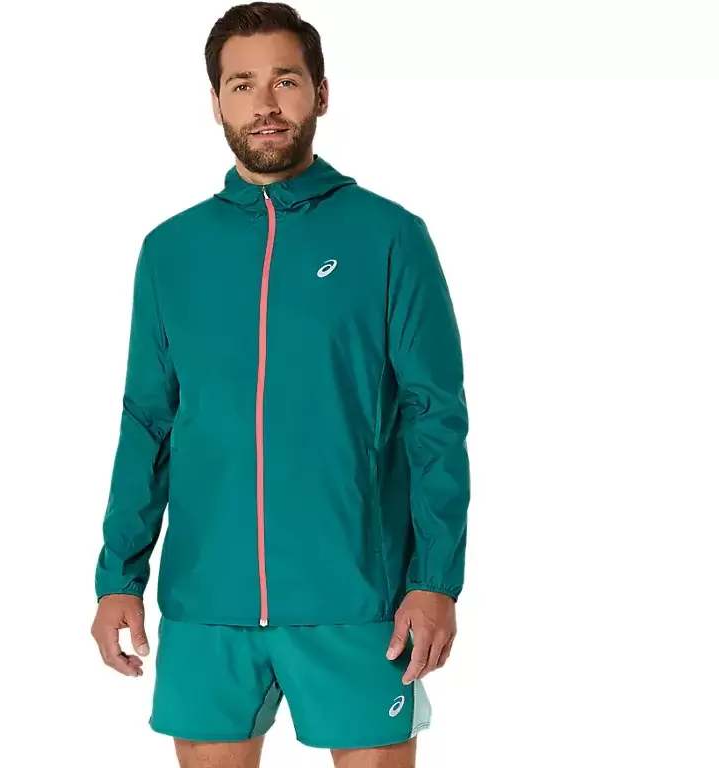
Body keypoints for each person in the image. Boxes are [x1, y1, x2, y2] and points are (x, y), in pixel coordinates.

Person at [91, 3, 469, 766]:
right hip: (207, 602)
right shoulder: (170, 251)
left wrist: (436, 580)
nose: (264, 104)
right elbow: (148, 421)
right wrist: (117, 576)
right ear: (216, 102)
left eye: (285, 81)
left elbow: (434, 418)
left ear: (320, 93)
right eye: (242, 85)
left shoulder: (389, 236)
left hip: (357, 599)